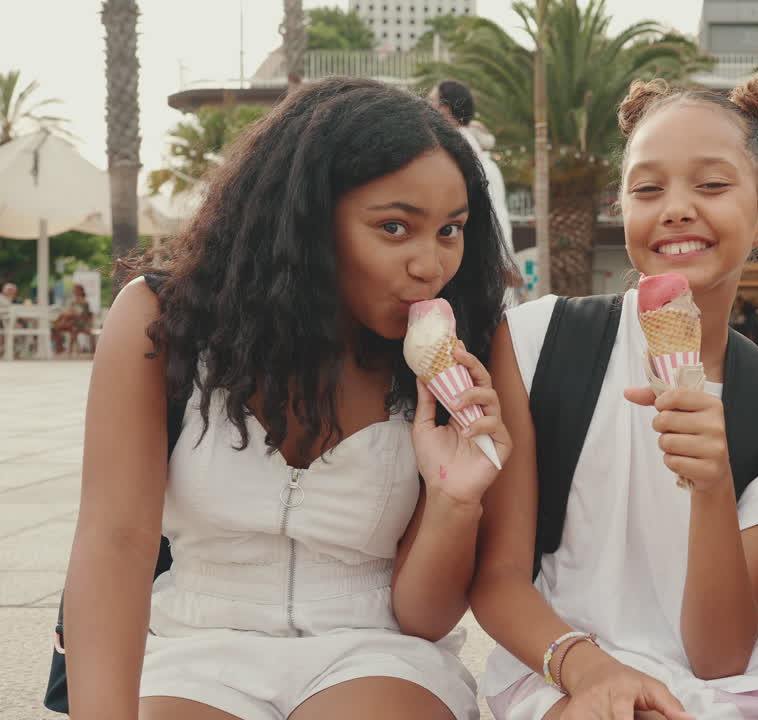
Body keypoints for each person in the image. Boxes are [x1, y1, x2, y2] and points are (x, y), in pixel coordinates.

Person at [60, 77, 513, 720]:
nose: (429, 264)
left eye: (450, 230)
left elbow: (424, 617)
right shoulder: (161, 320)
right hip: (194, 646)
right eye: (394, 227)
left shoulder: (464, 354)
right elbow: (116, 541)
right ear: (306, 220)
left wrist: (455, 499)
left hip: (375, 650)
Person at [471, 69, 758, 720]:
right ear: (622, 209)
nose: (677, 208)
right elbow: (497, 580)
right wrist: (596, 675)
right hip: (563, 661)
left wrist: (714, 484)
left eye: (712, 185)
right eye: (647, 188)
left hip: (731, 690)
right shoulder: (536, 342)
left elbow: (720, 656)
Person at [431, 80, 514, 268]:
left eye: (430, 100)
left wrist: (504, 265)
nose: (425, 106)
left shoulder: (464, 155)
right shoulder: (480, 156)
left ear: (445, 109)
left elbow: (495, 217)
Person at [52, 283, 93, 354]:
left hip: (81, 323)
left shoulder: (85, 302)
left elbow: (83, 316)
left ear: (80, 291)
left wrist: (69, 315)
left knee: (61, 324)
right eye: (74, 290)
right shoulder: (73, 302)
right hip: (72, 322)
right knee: (60, 323)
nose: (74, 292)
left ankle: (62, 347)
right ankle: (60, 346)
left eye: (75, 290)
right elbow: (70, 311)